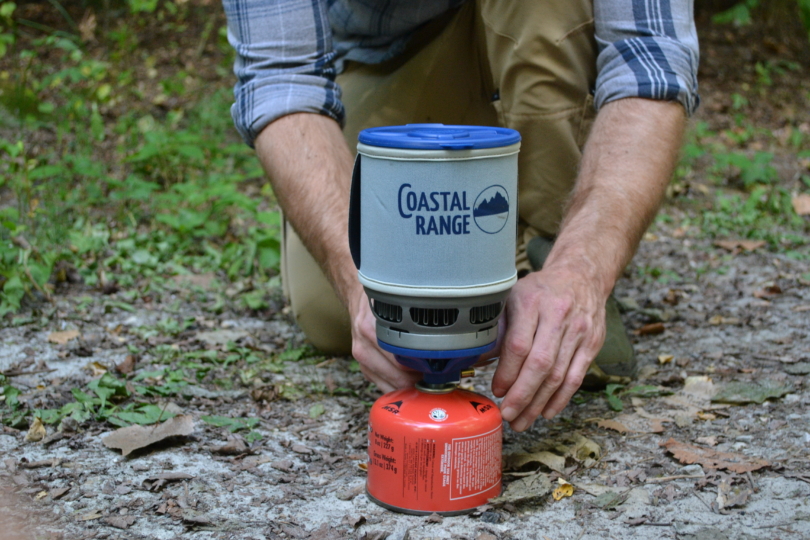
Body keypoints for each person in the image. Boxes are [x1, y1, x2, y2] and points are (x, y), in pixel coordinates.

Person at [222, 0, 699, 432]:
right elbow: (282, 77)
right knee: (331, 316)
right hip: (392, 64)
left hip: (543, 48)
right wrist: (359, 282)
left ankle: (551, 255)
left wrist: (585, 269)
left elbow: (649, 55)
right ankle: (491, 246)